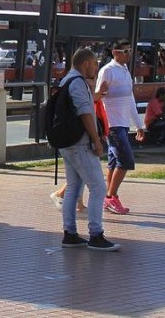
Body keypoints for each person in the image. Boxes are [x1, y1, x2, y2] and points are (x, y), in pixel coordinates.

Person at [59, 47, 119, 252]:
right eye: (95, 64)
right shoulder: (77, 83)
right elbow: (85, 113)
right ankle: (96, 234)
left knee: (73, 187)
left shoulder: (66, 80)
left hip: (68, 143)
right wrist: (96, 140)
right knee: (98, 188)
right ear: (86, 64)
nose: (96, 67)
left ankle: (70, 233)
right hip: (80, 144)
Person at [95, 40, 145, 215]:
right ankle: (110, 196)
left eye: (130, 51)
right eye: (125, 51)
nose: (128, 54)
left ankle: (108, 197)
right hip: (112, 125)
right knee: (126, 160)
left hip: (123, 124)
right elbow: (97, 97)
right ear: (115, 52)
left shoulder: (124, 71)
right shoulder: (107, 71)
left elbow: (130, 99)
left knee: (114, 162)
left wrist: (139, 124)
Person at [50, 77, 107, 209]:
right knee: (90, 181)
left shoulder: (76, 82)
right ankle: (61, 196)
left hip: (79, 138)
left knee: (79, 175)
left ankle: (76, 203)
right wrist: (96, 140)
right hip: (78, 138)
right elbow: (84, 106)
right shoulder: (76, 83)